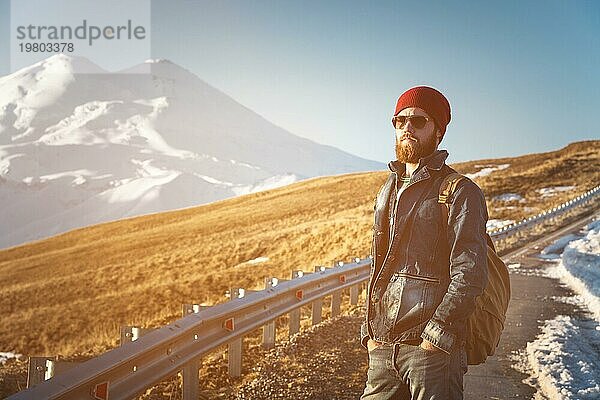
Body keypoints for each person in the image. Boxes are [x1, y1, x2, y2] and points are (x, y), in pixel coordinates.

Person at [360, 86, 489, 399]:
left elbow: (469, 272)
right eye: (400, 120)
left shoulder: (460, 191)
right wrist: (369, 333)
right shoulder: (387, 189)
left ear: (439, 131)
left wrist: (436, 336)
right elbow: (379, 265)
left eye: (418, 121)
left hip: (431, 352)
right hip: (383, 345)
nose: (407, 126)